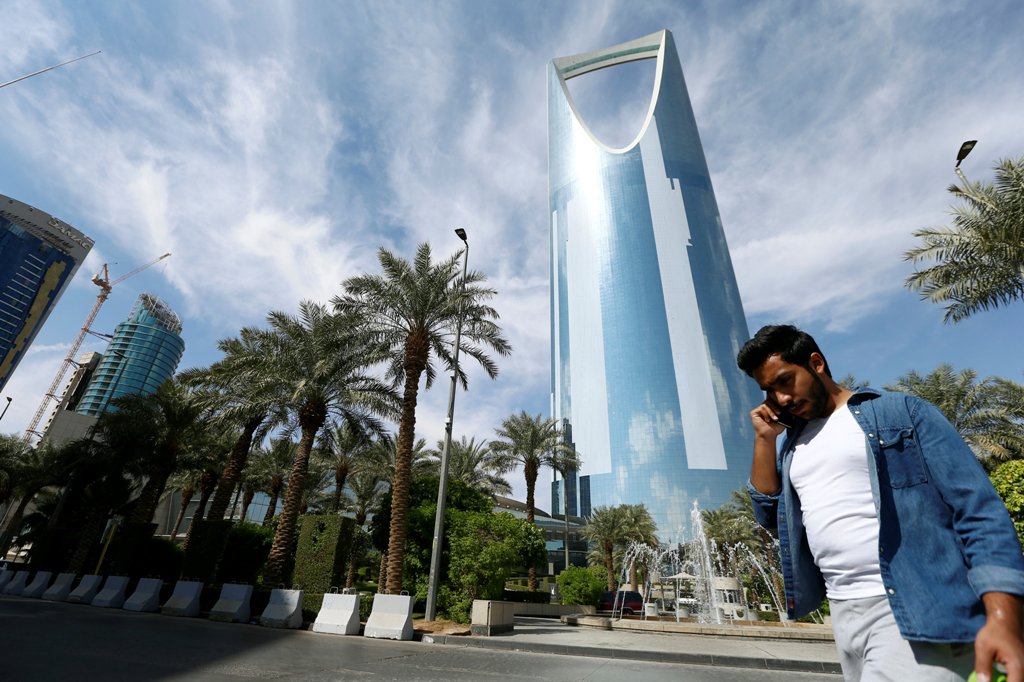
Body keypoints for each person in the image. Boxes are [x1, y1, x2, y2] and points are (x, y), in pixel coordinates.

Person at [736, 324, 1024, 682]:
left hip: (913, 604)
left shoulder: (900, 413)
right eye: (769, 390)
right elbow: (769, 516)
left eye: (784, 381)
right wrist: (765, 439)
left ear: (816, 363)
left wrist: (1002, 618)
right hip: (844, 612)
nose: (780, 399)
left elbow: (978, 510)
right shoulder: (793, 447)